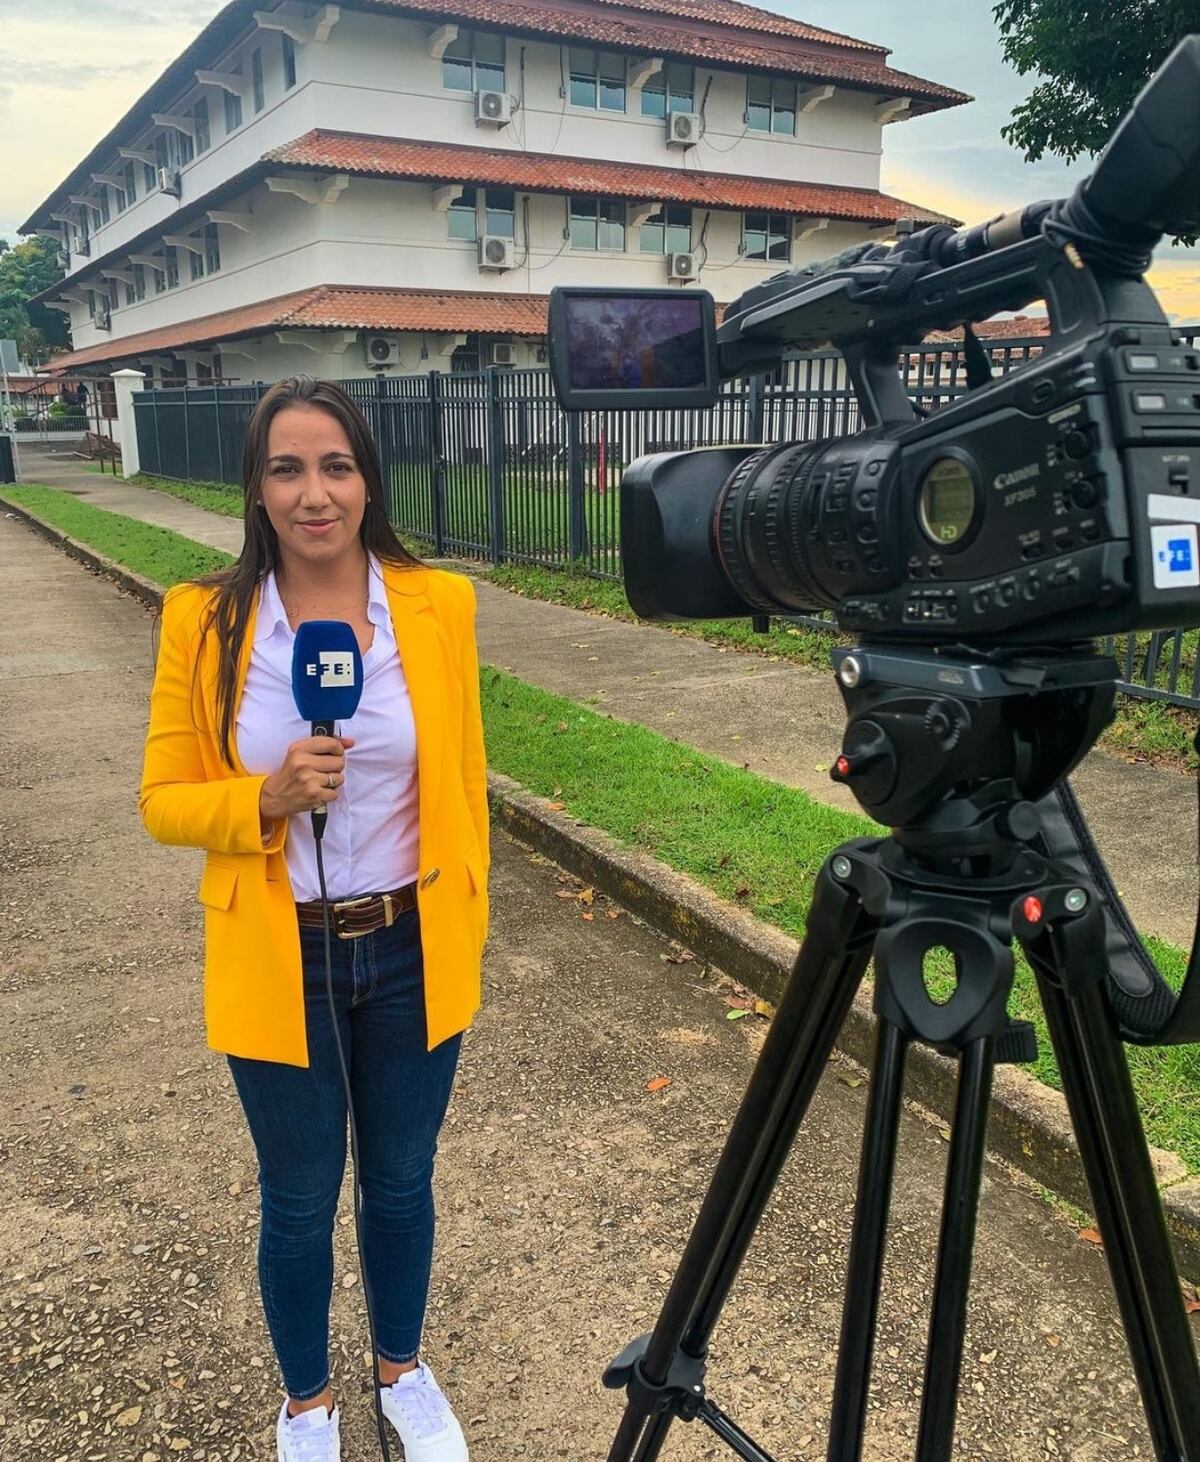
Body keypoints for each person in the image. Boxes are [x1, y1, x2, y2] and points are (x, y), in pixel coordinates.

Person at [140, 376, 488, 1462]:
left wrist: (467, 917)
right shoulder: (203, 618)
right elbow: (161, 801)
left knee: (401, 1178)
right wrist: (266, 799)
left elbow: (465, 779)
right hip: (277, 945)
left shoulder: (439, 605)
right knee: (297, 1197)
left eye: (335, 464)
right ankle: (306, 1403)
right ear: (254, 486)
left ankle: (401, 1369)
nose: (314, 492)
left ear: (368, 477)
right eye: (286, 467)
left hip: (409, 945)